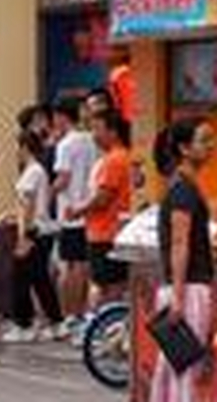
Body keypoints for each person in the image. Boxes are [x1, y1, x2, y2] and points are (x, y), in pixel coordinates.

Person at [150, 120, 217, 402]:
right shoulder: (183, 191)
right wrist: (178, 297)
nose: (211, 146)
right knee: (185, 367)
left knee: (172, 366)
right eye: (204, 140)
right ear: (184, 149)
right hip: (187, 288)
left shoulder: (182, 187)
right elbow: (180, 243)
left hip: (183, 287)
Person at [51, 96, 102, 333]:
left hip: (71, 212)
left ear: (61, 116)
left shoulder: (66, 144)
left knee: (70, 267)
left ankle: (70, 315)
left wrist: (45, 194)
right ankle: (82, 314)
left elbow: (63, 179)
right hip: (90, 210)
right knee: (83, 265)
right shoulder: (93, 140)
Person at [9, 127, 64, 342]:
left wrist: (24, 236)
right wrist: (13, 216)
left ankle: (24, 325)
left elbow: (28, 206)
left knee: (19, 278)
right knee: (40, 279)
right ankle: (56, 322)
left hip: (34, 231)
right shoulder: (38, 170)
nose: (16, 152)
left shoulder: (32, 171)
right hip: (42, 231)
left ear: (24, 147)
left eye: (18, 147)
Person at [87, 110, 138, 297]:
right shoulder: (126, 156)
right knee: (116, 285)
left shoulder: (113, 161)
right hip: (116, 231)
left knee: (107, 287)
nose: (93, 135)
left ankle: (107, 324)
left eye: (97, 129)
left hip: (105, 232)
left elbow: (103, 199)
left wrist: (79, 210)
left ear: (113, 132)